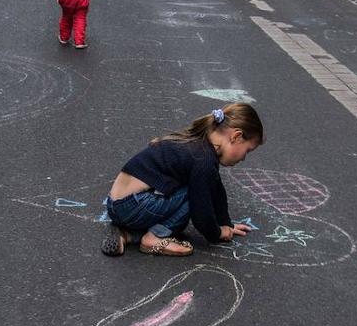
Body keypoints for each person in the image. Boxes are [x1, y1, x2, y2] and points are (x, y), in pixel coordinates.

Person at [101, 103, 264, 257]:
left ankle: (127, 235)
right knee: (193, 194)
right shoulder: (203, 159)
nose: (244, 158)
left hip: (117, 204)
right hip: (132, 206)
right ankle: (153, 238)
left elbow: (216, 187)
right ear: (236, 136)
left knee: (199, 187)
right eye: (247, 150)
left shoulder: (198, 142)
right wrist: (217, 233)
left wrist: (226, 223)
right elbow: (202, 215)